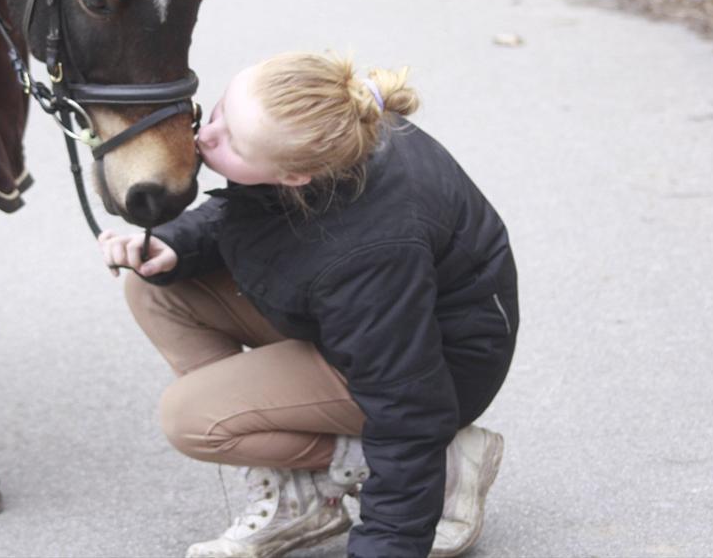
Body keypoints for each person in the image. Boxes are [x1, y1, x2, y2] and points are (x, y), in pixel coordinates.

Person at [99, 52, 519, 558]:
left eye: (232, 141)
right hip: (362, 326)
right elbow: (257, 210)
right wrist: (177, 243)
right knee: (153, 285)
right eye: (220, 113)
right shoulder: (324, 124)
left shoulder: (371, 254)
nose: (205, 137)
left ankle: (446, 465)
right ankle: (299, 490)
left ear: (295, 176)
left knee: (192, 418)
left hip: (437, 372)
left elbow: (408, 408)